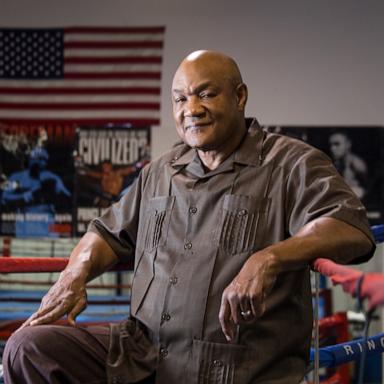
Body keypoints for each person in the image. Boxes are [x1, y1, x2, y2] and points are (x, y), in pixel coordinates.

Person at [3, 50, 375, 384]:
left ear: (240, 96)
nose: (191, 108)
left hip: (233, 367)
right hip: (142, 355)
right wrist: (74, 274)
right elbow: (107, 232)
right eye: (180, 98)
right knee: (28, 348)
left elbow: (349, 226)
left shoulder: (291, 162)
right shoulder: (161, 171)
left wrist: (270, 257)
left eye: (206, 94)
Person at [328, 131, 368, 199]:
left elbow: (367, 187)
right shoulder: (335, 164)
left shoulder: (356, 163)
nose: (332, 148)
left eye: (337, 144)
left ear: (348, 144)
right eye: (331, 145)